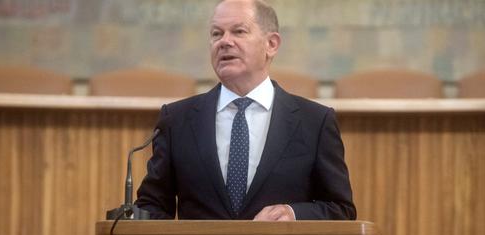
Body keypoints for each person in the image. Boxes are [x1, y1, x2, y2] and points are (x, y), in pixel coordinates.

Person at [135, 0, 355, 221]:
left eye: (238, 31)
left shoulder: (315, 122)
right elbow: (152, 204)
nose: (224, 42)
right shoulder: (176, 120)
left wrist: (293, 214)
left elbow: (341, 209)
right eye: (216, 34)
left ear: (272, 44)